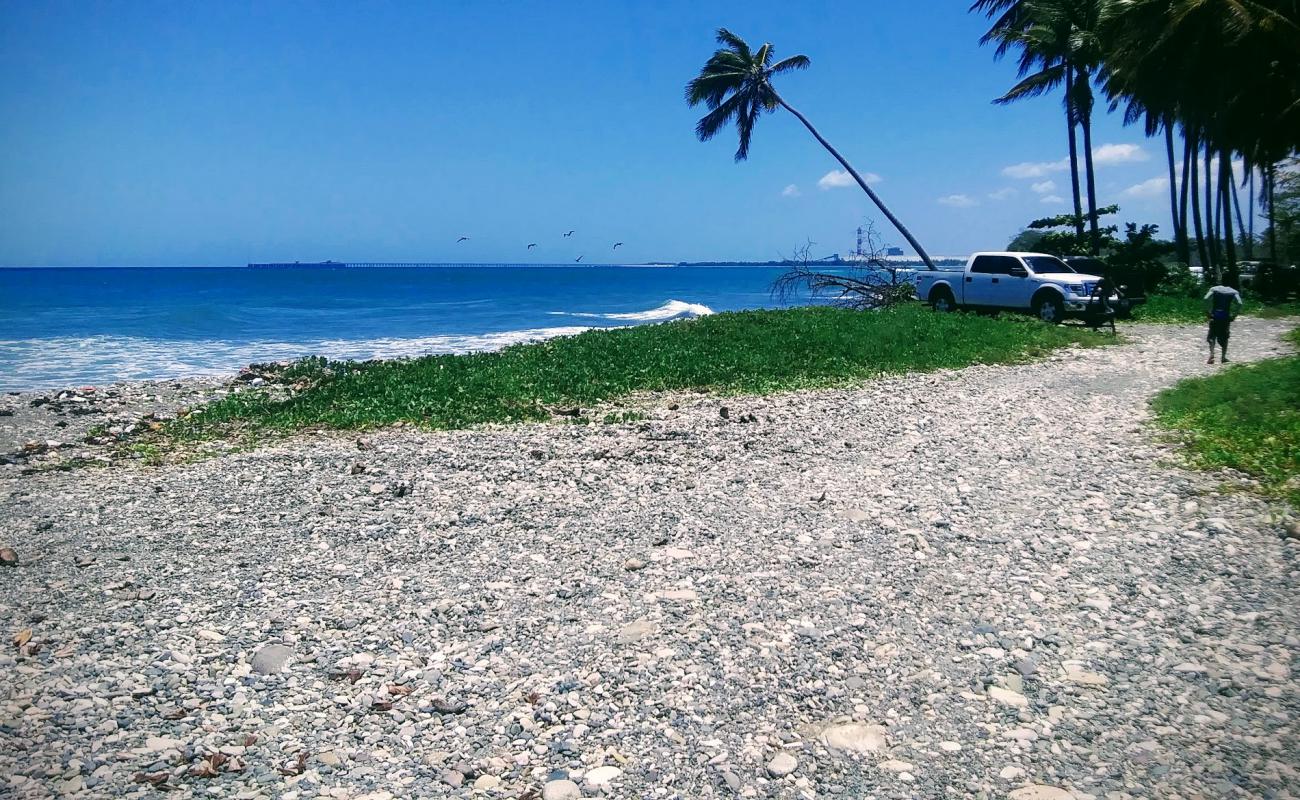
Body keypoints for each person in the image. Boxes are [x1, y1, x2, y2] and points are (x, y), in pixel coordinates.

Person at [1203, 282, 1243, 364]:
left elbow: (1206, 299)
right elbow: (1239, 303)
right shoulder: (1233, 291)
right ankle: (1223, 357)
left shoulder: (1214, 289)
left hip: (1215, 316)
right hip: (1225, 317)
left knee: (1212, 336)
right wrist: (1234, 315)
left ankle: (1211, 355)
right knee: (1224, 337)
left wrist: (1207, 312)